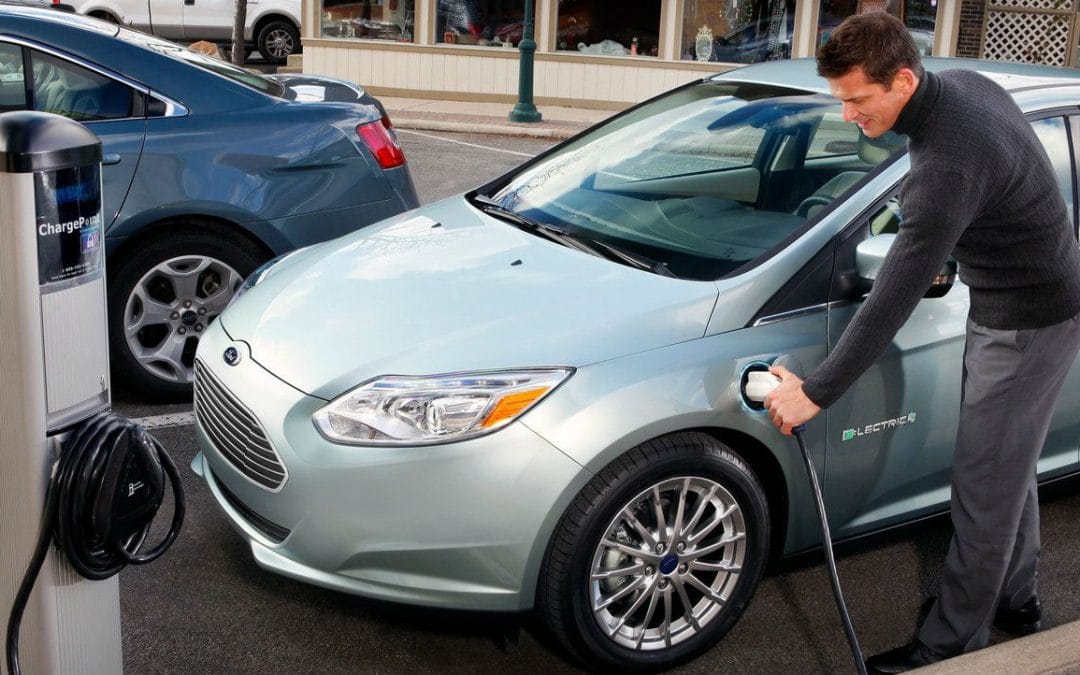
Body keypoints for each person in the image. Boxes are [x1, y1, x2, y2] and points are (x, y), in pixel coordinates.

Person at [762, 11, 1080, 674]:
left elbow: (889, 303)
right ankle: (1016, 601)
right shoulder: (965, 84)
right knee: (1005, 469)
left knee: (983, 485)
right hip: (1029, 301)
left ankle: (948, 648)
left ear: (902, 78)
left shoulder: (944, 169)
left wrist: (814, 393)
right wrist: (961, 247)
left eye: (857, 99)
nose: (847, 114)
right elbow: (1011, 182)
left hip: (1026, 321)